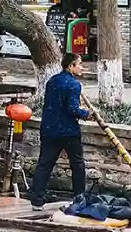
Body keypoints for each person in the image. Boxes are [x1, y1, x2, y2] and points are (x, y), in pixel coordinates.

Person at [30, 52, 89, 211]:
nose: (82, 67)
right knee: (77, 164)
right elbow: (72, 109)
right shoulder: (74, 85)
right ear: (70, 66)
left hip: (49, 129)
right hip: (68, 131)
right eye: (79, 64)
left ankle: (37, 200)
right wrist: (86, 113)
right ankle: (79, 197)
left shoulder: (52, 81)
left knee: (44, 164)